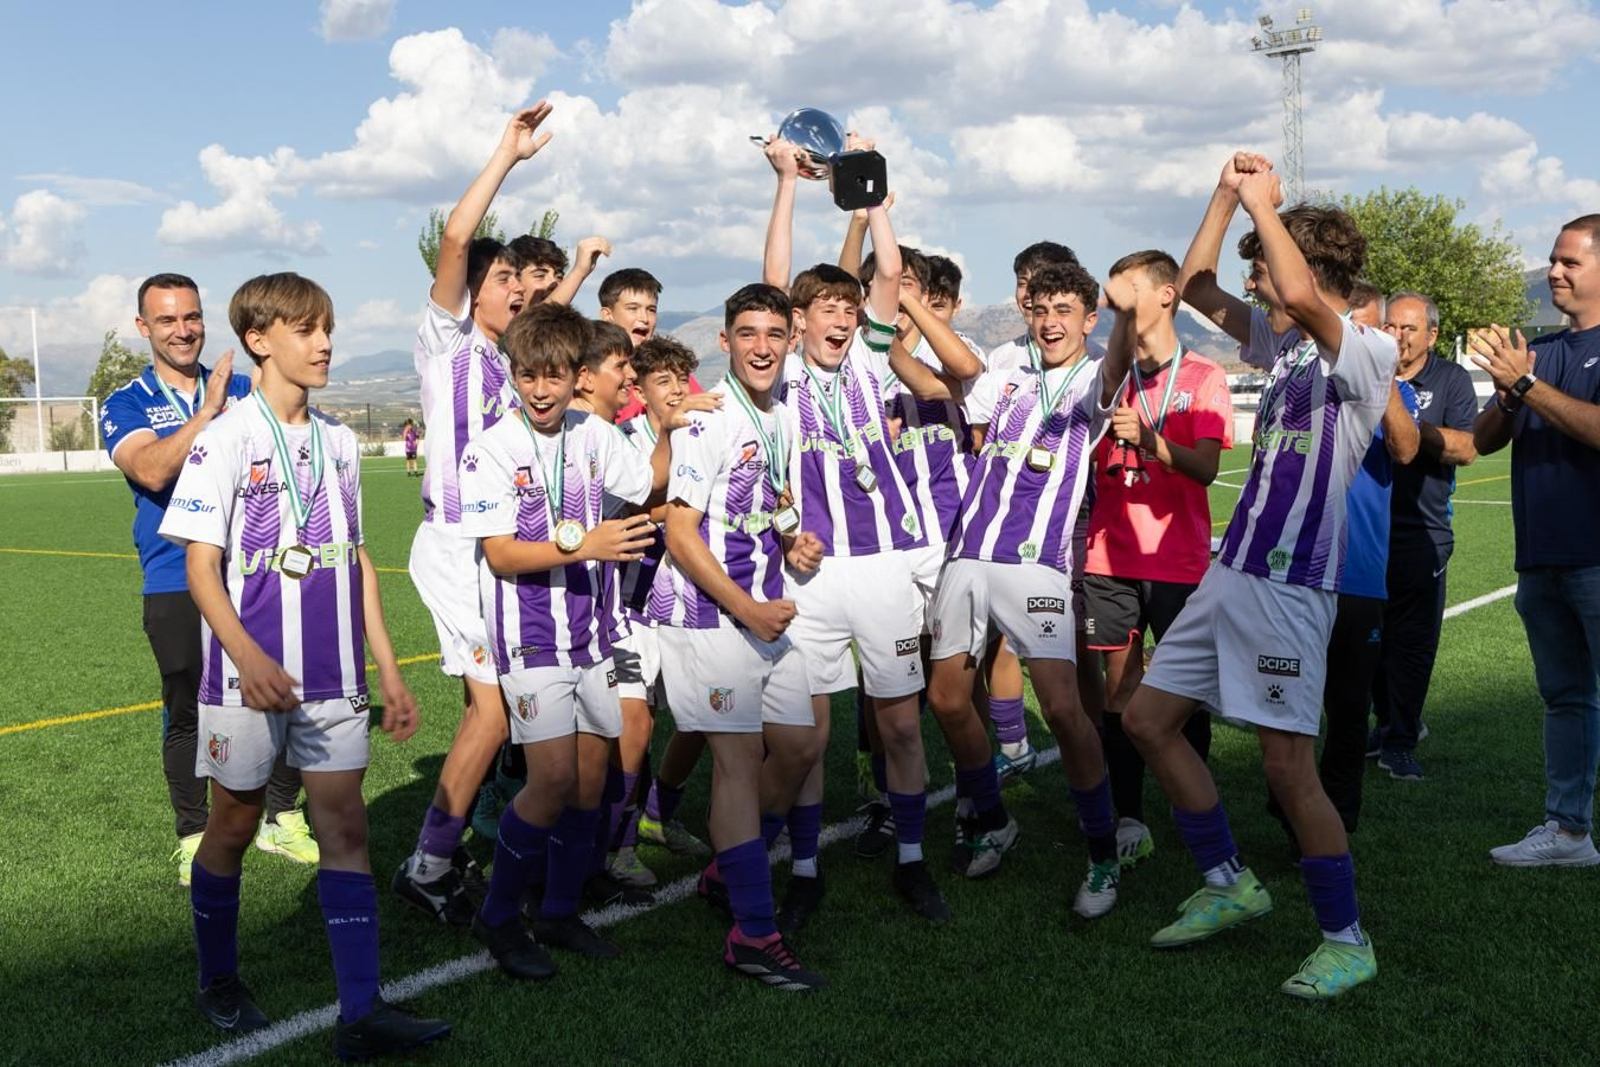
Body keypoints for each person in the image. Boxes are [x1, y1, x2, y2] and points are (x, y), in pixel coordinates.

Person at [159, 272, 449, 1057]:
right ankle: (218, 976)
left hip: (332, 676)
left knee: (345, 825)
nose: (325, 344)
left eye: (329, 328)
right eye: (307, 329)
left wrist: (386, 667)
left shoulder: (342, 441)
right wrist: (248, 655)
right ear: (260, 339)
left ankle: (363, 1008)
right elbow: (199, 566)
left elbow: (355, 560)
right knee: (234, 821)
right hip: (243, 679)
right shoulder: (226, 438)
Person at [1127, 152, 1395, 999]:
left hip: (1292, 588)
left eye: (1268, 265)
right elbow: (1196, 284)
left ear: (1309, 271)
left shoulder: (1365, 349)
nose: (1256, 280)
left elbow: (1309, 299)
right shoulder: (1276, 343)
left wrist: (1262, 205)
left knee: (1287, 767)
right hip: (1231, 572)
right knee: (1148, 718)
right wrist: (1221, 194)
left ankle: (1346, 939)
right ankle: (1228, 881)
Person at [460, 302, 709, 974]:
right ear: (514, 375)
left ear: (576, 376)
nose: (540, 389)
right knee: (551, 780)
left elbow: (646, 481)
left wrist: (664, 422)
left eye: (554, 375)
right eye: (527, 375)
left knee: (594, 778)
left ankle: (561, 911)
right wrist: (584, 543)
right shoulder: (490, 449)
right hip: (531, 639)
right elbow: (502, 553)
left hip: (593, 637)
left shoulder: (593, 434)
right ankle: (500, 916)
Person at [761, 134, 948, 928]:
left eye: (850, 308)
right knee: (812, 728)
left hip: (883, 565)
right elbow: (772, 277)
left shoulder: (874, 358)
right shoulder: (783, 369)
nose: (841, 320)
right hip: (811, 573)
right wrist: (786, 184)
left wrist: (866, 189)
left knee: (900, 720)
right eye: (825, 310)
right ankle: (804, 868)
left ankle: (911, 859)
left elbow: (894, 274)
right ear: (796, 321)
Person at [928, 262, 1134, 917]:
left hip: (1037, 563)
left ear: (1089, 317)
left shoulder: (1096, 377)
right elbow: (946, 385)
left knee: (1067, 709)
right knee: (948, 698)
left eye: (1064, 310)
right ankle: (994, 816)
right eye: (1041, 309)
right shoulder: (1009, 375)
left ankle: (1103, 856)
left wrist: (1128, 315)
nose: (1050, 321)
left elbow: (1120, 360)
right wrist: (903, 315)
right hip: (969, 555)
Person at [103, 272, 314, 886]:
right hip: (174, 577)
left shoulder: (252, 385)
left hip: (256, 574)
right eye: (166, 320)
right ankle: (193, 832)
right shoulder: (129, 402)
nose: (182, 330)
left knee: (284, 694)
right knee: (186, 704)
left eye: (191, 317)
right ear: (144, 328)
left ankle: (282, 817)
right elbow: (148, 469)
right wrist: (212, 414)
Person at [395, 103, 549, 924]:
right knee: (493, 709)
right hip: (455, 546)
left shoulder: (503, 359)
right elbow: (457, 241)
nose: (516, 293)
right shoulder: (448, 341)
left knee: (492, 707)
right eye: (504, 283)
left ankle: (469, 830)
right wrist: (506, 154)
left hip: (492, 547)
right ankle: (429, 862)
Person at [657, 282, 828, 990]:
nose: (762, 346)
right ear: (724, 342)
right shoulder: (709, 421)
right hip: (707, 614)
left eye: (774, 334)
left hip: (760, 607)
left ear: (790, 341)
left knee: (800, 743)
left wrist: (794, 540)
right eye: (748, 333)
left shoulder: (781, 414)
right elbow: (679, 531)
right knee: (736, 759)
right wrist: (748, 611)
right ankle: (754, 934)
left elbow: (772, 500)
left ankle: (730, 868)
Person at [1080, 250, 1233, 868]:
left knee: (1181, 695)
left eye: (1127, 292)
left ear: (1167, 295)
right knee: (1119, 692)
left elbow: (1204, 469)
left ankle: (1190, 802)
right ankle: (1129, 816)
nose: (1116, 304)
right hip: (1110, 558)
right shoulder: (1109, 375)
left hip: (1178, 561)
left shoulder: (1204, 377)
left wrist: (1150, 441)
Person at [1472, 214, 1600, 868]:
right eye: (1553, 259)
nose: (1554, 270)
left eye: (1570, 261)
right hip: (1543, 555)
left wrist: (1526, 384)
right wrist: (1508, 393)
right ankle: (1570, 831)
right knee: (1566, 696)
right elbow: (1484, 438)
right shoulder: (1542, 350)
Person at [1371, 291, 1478, 779]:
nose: (1396, 336)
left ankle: (1401, 741)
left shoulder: (1450, 379)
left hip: (1421, 533)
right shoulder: (1368, 369)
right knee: (1364, 641)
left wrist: (1409, 429)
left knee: (1410, 643)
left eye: (1408, 329)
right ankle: (1388, 721)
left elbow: (1467, 446)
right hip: (1364, 531)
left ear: (1432, 335)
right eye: (1391, 326)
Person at [620, 336, 714, 864]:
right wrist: (680, 513)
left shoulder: (703, 433)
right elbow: (632, 511)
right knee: (638, 725)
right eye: (663, 381)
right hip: (630, 603)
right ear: (639, 388)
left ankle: (657, 816)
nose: (677, 389)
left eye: (682, 378)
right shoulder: (624, 437)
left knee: (701, 715)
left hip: (686, 596)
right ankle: (620, 841)